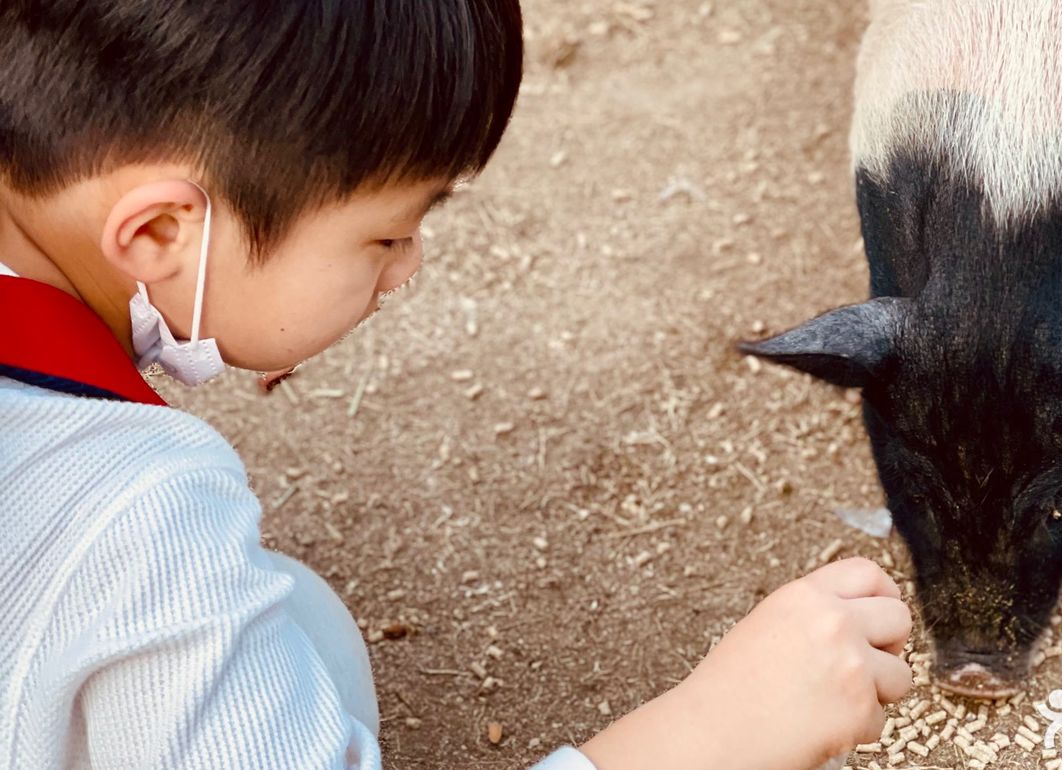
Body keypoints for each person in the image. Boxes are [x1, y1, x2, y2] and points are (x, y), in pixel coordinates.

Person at [0, 3, 914, 769]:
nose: (408, 270)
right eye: (387, 236)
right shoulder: (143, 512)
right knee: (313, 646)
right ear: (160, 232)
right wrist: (716, 731)